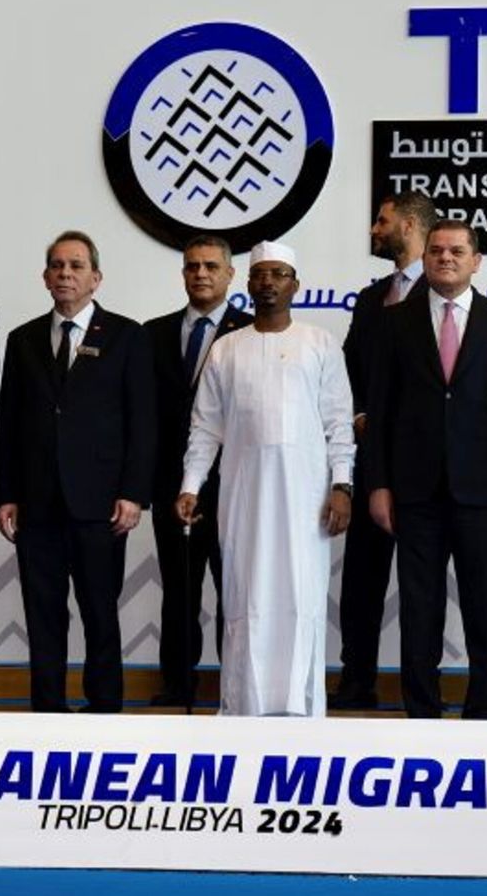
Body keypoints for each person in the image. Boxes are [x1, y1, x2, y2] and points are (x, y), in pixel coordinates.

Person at [364, 220, 487, 720]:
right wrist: (377, 485)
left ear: (476, 260)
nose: (445, 258)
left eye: (457, 251)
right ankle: (423, 714)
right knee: (420, 610)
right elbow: (380, 409)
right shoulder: (395, 322)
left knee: (483, 606)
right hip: (413, 491)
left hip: (483, 491)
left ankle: (483, 714)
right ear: (425, 258)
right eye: (436, 250)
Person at [177, 241, 354, 717]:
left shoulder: (320, 344)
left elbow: (339, 424)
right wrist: (191, 485)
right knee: (245, 597)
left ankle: (300, 707)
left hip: (306, 499)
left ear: (294, 284)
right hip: (244, 497)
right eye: (262, 275)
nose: (270, 282)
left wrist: (342, 486)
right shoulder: (226, 349)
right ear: (248, 283)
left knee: (301, 598)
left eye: (280, 274)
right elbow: (206, 427)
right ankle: (244, 707)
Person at [0, 231, 155, 713]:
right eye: (57, 265)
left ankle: (104, 710)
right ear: (46, 277)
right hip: (38, 504)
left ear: (96, 278)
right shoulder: (22, 339)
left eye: (76, 266)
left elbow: (143, 423)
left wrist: (134, 493)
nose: (66, 273)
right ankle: (48, 712)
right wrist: (7, 494)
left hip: (101, 505)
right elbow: (9, 423)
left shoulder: (127, 335)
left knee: (99, 613)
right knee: (42, 616)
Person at [332, 190, 434, 711]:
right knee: (361, 581)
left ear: (410, 224)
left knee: (421, 585)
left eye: (382, 221)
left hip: (425, 462)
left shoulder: (444, 291)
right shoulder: (372, 298)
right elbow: (350, 368)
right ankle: (357, 679)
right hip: (373, 459)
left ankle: (421, 687)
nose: (375, 229)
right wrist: (356, 414)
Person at [143, 235, 252, 707]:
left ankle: (236, 687)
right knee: (180, 593)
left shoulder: (253, 333)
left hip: (237, 487)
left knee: (237, 595)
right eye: (192, 266)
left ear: (230, 275)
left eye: (210, 266)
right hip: (172, 484)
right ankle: (178, 686)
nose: (201, 274)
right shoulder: (152, 333)